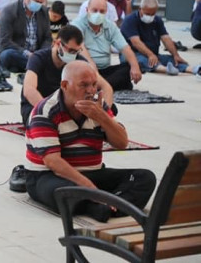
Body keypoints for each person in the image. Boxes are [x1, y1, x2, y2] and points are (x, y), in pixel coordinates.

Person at [25, 61, 156, 222]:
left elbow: (121, 143)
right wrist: (92, 190)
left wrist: (102, 117)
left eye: (94, 85)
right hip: (51, 176)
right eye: (84, 85)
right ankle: (102, 205)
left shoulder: (98, 106)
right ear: (65, 85)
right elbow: (53, 163)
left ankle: (104, 206)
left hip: (92, 172)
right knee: (60, 192)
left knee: (144, 178)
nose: (91, 91)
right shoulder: (45, 111)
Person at [20, 25, 113, 126]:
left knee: (109, 108)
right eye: (71, 51)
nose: (73, 55)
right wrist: (49, 111)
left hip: (68, 107)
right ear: (57, 43)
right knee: (41, 122)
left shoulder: (79, 61)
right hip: (38, 105)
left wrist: (103, 114)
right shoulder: (38, 58)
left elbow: (106, 87)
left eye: (77, 51)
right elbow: (29, 90)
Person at [0, 0, 51, 91]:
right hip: (19, 52)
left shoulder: (43, 12)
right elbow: (4, 40)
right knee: (7, 55)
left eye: (41, 2)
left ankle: (32, 71)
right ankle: (35, 69)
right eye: (36, 1)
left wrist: (40, 53)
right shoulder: (9, 10)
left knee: (54, 56)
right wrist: (27, 53)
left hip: (37, 53)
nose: (38, 5)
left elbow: (47, 38)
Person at [72, 0, 143, 91]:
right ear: (87, 10)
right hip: (85, 69)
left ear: (106, 12)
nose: (98, 14)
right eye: (94, 10)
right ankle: (105, 85)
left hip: (105, 70)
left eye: (102, 11)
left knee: (133, 65)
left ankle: (98, 85)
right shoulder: (77, 24)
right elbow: (80, 47)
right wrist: (92, 66)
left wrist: (135, 67)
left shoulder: (110, 26)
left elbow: (125, 47)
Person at [121, 0, 199, 76]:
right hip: (132, 54)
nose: (150, 16)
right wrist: (150, 54)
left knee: (172, 59)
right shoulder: (130, 20)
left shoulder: (157, 20)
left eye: (153, 14)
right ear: (140, 9)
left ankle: (194, 69)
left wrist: (175, 55)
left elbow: (166, 39)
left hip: (154, 55)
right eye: (147, 14)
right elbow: (136, 42)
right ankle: (165, 69)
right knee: (141, 60)